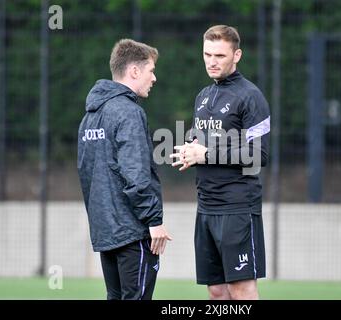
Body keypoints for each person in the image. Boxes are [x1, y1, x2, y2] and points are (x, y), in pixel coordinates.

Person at [170, 25, 270, 300]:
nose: (212, 61)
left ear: (237, 55)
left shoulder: (251, 97)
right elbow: (203, 139)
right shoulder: (202, 96)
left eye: (220, 55)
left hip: (237, 207)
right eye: (207, 54)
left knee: (241, 289)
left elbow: (258, 155)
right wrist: (190, 149)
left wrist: (206, 154)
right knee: (216, 290)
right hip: (206, 206)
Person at [77, 39, 172, 300]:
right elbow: (135, 173)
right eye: (151, 70)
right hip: (132, 232)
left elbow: (87, 173)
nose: (154, 78)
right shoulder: (128, 112)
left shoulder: (90, 116)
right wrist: (154, 220)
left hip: (107, 232)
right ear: (134, 71)